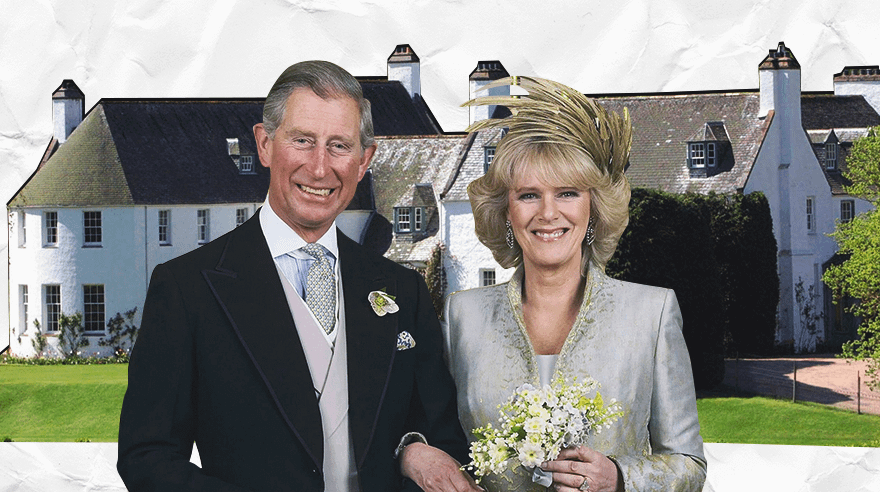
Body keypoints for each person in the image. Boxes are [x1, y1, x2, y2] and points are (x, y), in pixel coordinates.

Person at [118, 60, 481, 492]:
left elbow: (445, 444)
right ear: (265, 144)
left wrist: (411, 449)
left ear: (364, 160)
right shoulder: (187, 289)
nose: (319, 167)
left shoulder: (403, 291)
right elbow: (147, 457)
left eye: (339, 146)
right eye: (303, 141)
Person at [442, 77, 707, 491]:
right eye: (528, 195)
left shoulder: (651, 313)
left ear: (593, 208)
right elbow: (439, 444)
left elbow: (689, 464)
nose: (548, 213)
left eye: (567, 193)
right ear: (507, 212)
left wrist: (619, 478)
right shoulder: (462, 316)